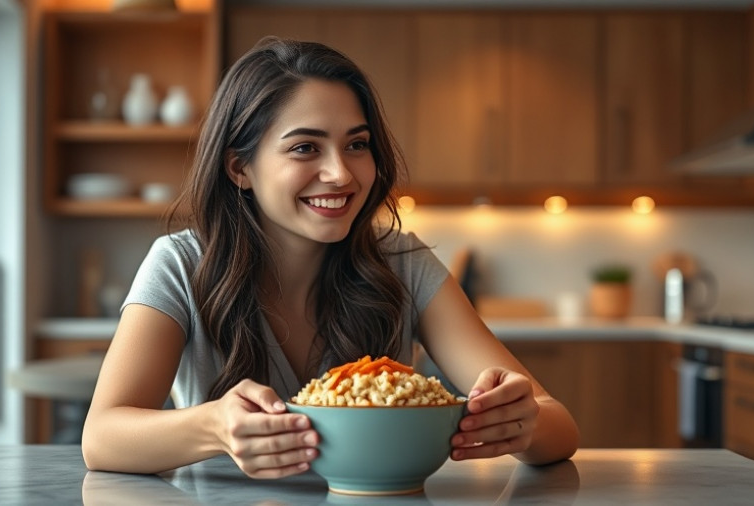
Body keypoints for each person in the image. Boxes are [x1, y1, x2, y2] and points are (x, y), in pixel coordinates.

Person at [81, 36, 579, 478]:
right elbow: (102, 438)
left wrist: (521, 422)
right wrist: (214, 425)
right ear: (240, 168)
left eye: (357, 144)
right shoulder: (180, 264)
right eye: (305, 148)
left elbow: (558, 426)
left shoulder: (404, 263)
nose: (341, 174)